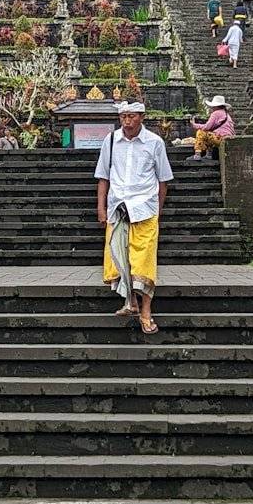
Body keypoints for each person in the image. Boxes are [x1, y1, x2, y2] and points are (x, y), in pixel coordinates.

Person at [95, 100, 173, 336]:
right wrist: (101, 208)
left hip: (145, 208)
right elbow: (103, 177)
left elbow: (163, 180)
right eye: (123, 117)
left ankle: (146, 311)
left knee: (144, 262)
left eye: (131, 116)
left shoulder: (155, 143)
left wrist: (157, 209)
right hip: (118, 207)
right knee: (119, 258)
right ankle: (131, 302)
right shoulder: (110, 142)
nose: (127, 121)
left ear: (142, 117)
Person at [187, 95, 235, 160]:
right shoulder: (225, 114)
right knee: (210, 134)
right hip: (227, 138)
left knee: (200, 132)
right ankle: (208, 153)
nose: (212, 108)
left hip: (220, 138)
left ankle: (197, 154)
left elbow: (206, 127)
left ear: (216, 106)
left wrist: (194, 125)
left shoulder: (216, 113)